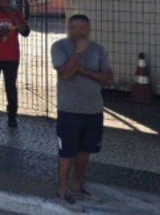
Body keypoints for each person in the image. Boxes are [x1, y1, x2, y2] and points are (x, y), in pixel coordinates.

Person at [51, 15, 113, 206]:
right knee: (67, 153)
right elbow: (67, 74)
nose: (79, 32)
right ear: (69, 29)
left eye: (83, 28)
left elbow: (108, 79)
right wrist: (78, 52)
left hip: (93, 110)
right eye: (74, 28)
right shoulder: (60, 47)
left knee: (85, 152)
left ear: (89, 29)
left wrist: (84, 71)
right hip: (69, 110)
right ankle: (63, 189)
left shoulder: (98, 49)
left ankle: (78, 186)